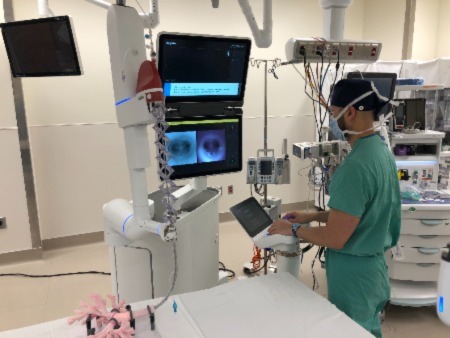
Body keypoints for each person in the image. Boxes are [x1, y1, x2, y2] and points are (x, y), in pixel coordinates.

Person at [268, 79, 401, 338]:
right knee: (368, 329)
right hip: (373, 270)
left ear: (349, 112)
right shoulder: (381, 154)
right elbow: (363, 213)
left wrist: (293, 229)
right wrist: (314, 215)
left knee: (353, 332)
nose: (331, 119)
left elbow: (335, 237)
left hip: (354, 276)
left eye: (333, 112)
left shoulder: (355, 167)